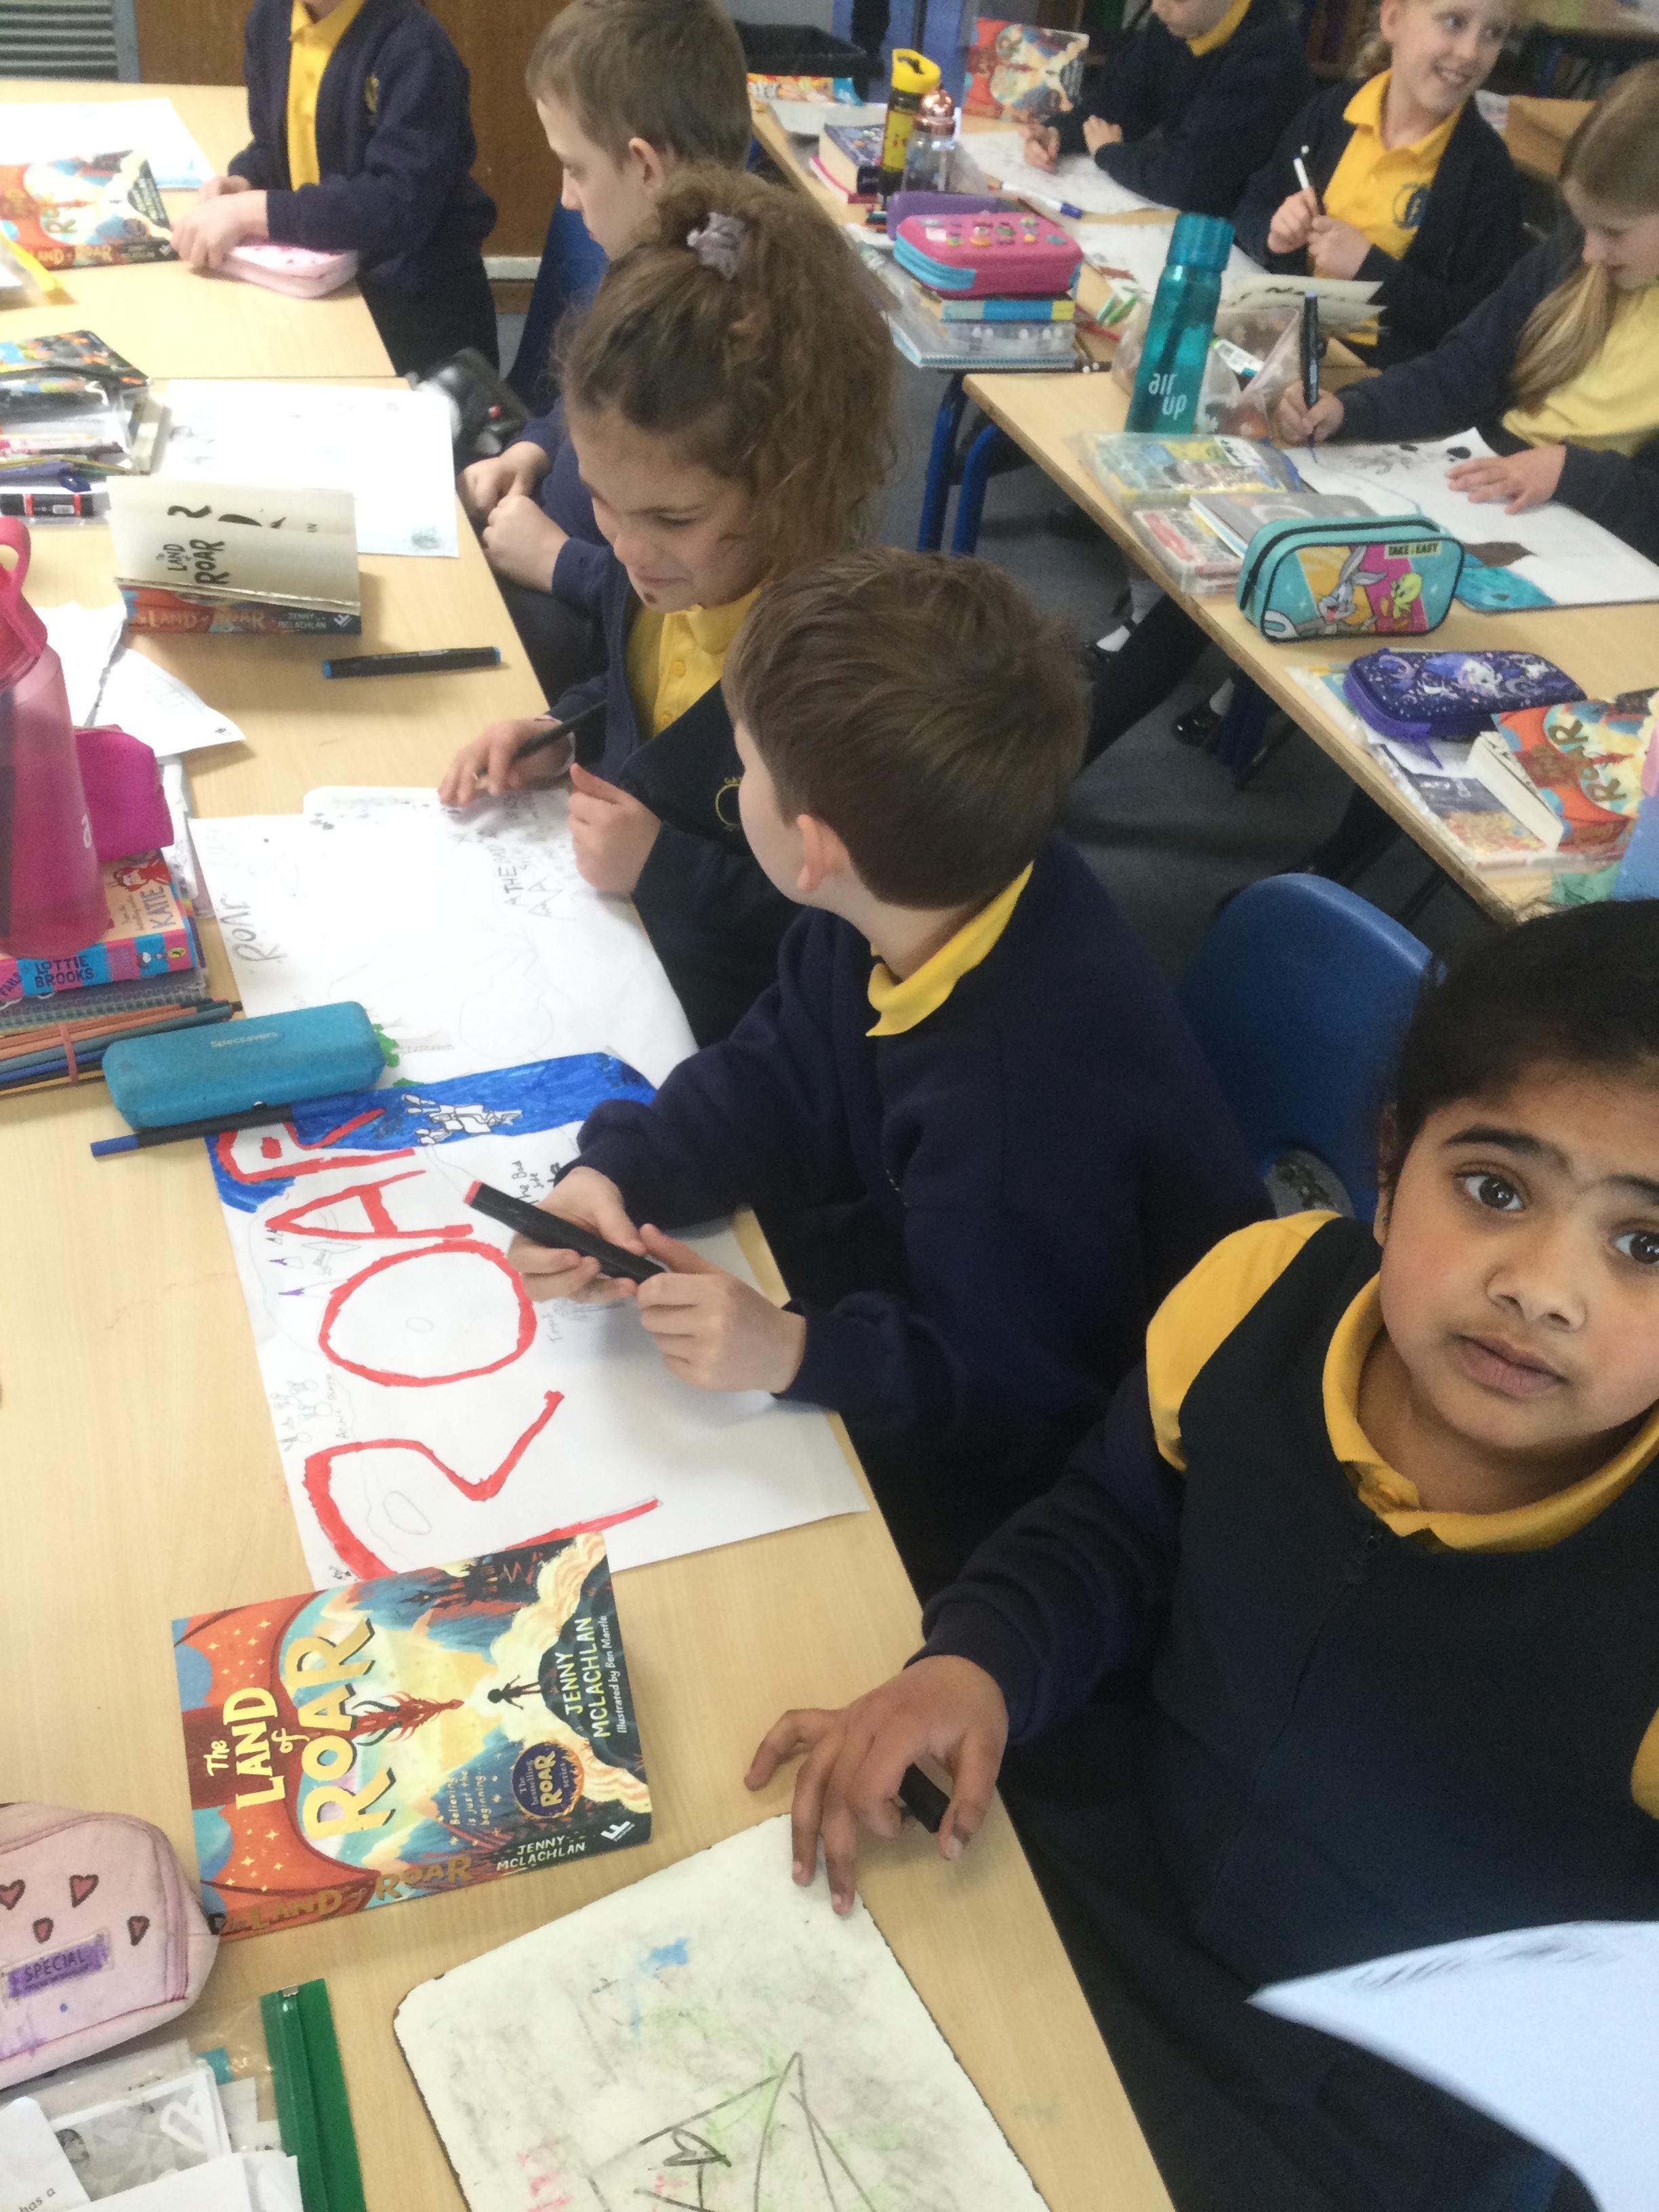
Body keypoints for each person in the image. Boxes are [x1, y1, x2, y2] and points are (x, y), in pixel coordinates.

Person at [750, 898, 1659, 2212]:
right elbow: (1113, 1526)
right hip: (1108, 1878)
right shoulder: (1260, 1298)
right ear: (1390, 1166)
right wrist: (980, 1660)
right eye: (1494, 1188)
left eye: (1645, 1243)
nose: (1542, 1288)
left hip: (1356, 2114)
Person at [501, 550, 1266, 1596]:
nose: (731, 782)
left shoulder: (1014, 1111)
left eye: (742, 767)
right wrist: (623, 1169)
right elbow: (777, 1072)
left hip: (1058, 1470)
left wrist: (796, 1354)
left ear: (811, 849)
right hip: (946, 1288)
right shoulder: (910, 890)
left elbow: (1015, 1400)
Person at [436, 169, 895, 1050]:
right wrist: (563, 730)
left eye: (673, 519)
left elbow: (846, 927)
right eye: (603, 502)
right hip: (612, 952)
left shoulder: (834, 680)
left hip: (723, 1031)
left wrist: (665, 870)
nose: (628, 547)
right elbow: (645, 700)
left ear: (794, 481)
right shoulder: (658, 574)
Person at [457, 0, 754, 699]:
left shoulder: (717, 318)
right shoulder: (652, 259)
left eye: (575, 168)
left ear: (645, 166)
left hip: (596, 609)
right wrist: (533, 449)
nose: (566, 198)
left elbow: (692, 583)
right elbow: (592, 396)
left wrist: (557, 561)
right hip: (557, 534)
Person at [1277, 60, 1659, 562]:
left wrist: (1571, 473)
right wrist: (1351, 409)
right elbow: (1462, 371)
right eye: (1584, 226)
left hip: (1592, 550)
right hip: (1478, 492)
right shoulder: (1573, 260)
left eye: (1613, 232)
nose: (1590, 252)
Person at [173, 0, 496, 376]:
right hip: (325, 288)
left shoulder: (415, 47)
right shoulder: (270, 20)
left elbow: (398, 207)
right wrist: (246, 181)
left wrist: (254, 212)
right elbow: (275, 146)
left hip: (416, 318)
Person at [1234, 0, 1521, 366]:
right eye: (1454, 22)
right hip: (1280, 339)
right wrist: (1274, 236)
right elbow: (1252, 205)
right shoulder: (1331, 113)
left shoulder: (1487, 173)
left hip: (1377, 377)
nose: (1470, 53)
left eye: (1494, 33)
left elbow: (1477, 324)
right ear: (1393, 19)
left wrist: (1370, 269)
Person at [1018, 0, 1313, 220]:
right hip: (1180, 207)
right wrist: (1060, 132)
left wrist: (1110, 154)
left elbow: (1189, 181)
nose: (1157, 7)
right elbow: (1117, 102)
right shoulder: (1180, 24)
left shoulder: (1269, 58)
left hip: (1236, 231)